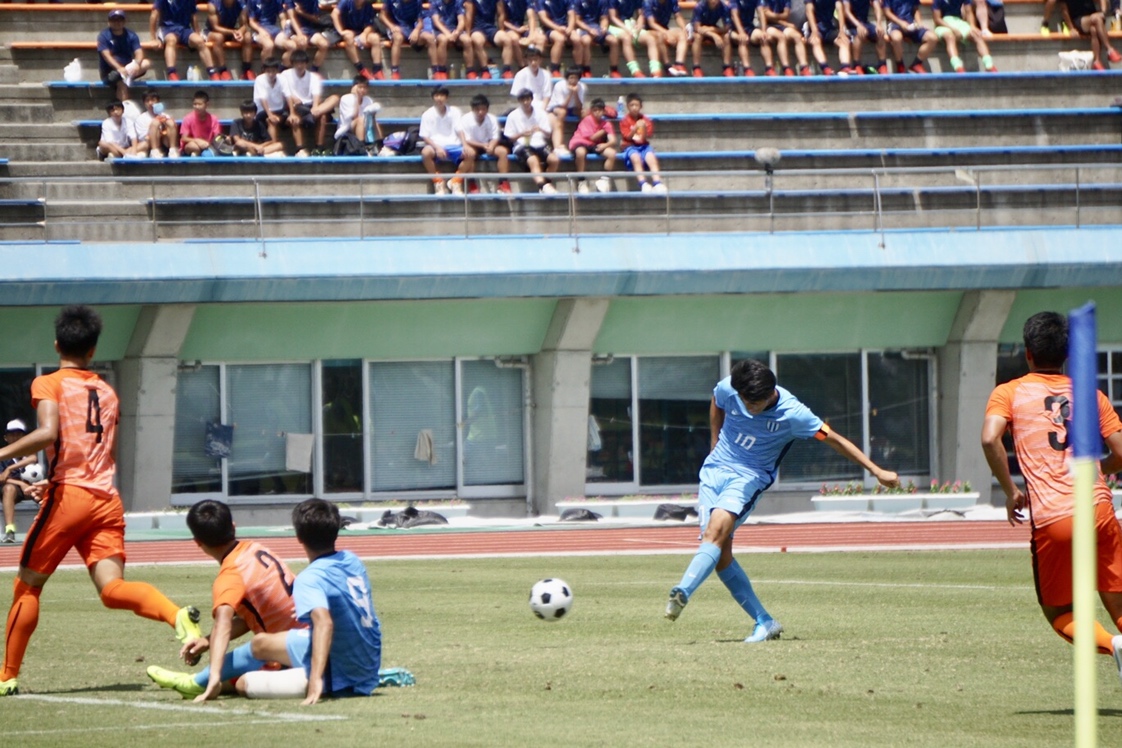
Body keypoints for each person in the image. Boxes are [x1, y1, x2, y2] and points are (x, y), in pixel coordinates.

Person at [0, 305, 203, 697]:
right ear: (93, 351)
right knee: (112, 590)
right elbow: (93, 447)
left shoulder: (50, 383)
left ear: (57, 343)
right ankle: (175, 614)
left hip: (70, 498)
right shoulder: (108, 393)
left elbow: (47, 433)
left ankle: (7, 677)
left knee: (27, 588)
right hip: (105, 499)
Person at [665, 359, 899, 641]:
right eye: (745, 403)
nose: (749, 410)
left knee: (714, 533)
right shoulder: (731, 388)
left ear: (769, 394)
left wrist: (876, 470)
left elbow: (833, 438)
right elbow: (717, 400)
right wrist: (714, 439)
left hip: (748, 477)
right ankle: (764, 621)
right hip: (714, 471)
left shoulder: (795, 414)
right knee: (719, 554)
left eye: (755, 405)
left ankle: (682, 591)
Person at [981, 311, 1122, 675]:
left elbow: (989, 437)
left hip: (1055, 518)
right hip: (1100, 510)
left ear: (1028, 353)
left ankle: (1114, 647)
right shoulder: (1091, 395)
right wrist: (1098, 469)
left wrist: (1010, 491)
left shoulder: (1008, 392)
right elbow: (1121, 453)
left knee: (1060, 613)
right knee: (1119, 608)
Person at [146, 499, 302, 700]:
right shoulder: (257, 548)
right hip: (314, 637)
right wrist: (206, 641)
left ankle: (196, 682)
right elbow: (254, 617)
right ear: (234, 527)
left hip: (296, 650)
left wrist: (214, 677)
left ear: (197, 542)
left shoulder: (230, 575)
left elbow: (223, 623)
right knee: (249, 667)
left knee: (254, 656)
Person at [232, 499, 381, 704]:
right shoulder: (352, 560)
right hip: (367, 662)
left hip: (339, 675)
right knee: (260, 643)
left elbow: (324, 622)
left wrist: (316, 678)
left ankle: (201, 682)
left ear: (299, 537)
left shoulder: (308, 578)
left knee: (242, 684)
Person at [279, 49, 340, 157]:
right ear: (292, 63)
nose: (299, 66)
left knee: (334, 99)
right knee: (295, 119)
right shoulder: (285, 74)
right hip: (295, 107)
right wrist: (293, 98)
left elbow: (316, 94)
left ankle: (319, 148)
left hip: (310, 107)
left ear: (306, 64)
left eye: (302, 63)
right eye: (297, 63)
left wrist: (316, 108)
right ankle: (300, 149)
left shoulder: (313, 76)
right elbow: (284, 92)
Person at [503, 88, 559, 193]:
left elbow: (548, 134)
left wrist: (539, 129)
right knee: (533, 160)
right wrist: (521, 134)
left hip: (539, 143)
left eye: (527, 99)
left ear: (531, 99)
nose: (525, 102)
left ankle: (545, 184)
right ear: (519, 101)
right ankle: (543, 186)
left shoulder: (540, 113)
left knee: (554, 160)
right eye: (523, 100)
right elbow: (509, 137)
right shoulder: (513, 116)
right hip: (521, 145)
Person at [420, 86, 473, 195]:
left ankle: (455, 181)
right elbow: (425, 136)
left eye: (442, 95)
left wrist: (465, 145)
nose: (439, 98)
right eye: (436, 95)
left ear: (447, 97)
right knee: (425, 153)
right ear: (433, 98)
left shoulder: (455, 111)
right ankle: (438, 182)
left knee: (471, 153)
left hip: (454, 144)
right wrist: (437, 147)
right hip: (435, 146)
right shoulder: (427, 114)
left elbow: (460, 129)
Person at [150, 0, 220, 81]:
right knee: (171, 40)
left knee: (199, 41)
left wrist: (197, 32)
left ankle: (212, 71)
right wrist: (153, 38)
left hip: (184, 29)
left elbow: (193, 16)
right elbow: (154, 16)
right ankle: (171, 72)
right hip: (167, 28)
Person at [458, 94, 513, 193]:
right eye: (477, 109)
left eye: (483, 109)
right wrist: (483, 145)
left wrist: (491, 145)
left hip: (487, 144)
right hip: (473, 144)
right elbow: (467, 139)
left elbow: (495, 136)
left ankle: (503, 182)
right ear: (473, 109)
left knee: (503, 152)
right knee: (470, 153)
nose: (480, 112)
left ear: (487, 109)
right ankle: (472, 183)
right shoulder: (466, 119)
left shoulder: (492, 119)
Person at [97, 10, 152, 101]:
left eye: (120, 20)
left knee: (146, 62)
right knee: (121, 81)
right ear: (109, 22)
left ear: (124, 21)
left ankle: (128, 76)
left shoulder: (131, 35)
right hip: (110, 70)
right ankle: (124, 107)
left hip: (128, 67)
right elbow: (106, 56)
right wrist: (119, 68)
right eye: (114, 20)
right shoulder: (103, 36)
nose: (117, 22)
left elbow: (139, 52)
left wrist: (136, 64)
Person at [931, 0, 997, 72]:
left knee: (976, 35)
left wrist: (972, 25)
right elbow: (937, 19)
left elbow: (968, 12)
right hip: (943, 23)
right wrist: (953, 29)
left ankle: (989, 64)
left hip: (959, 22)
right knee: (950, 37)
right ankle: (958, 66)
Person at [618, 92, 665, 193]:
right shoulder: (624, 121)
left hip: (644, 146)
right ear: (627, 106)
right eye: (631, 105)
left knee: (651, 158)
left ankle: (657, 183)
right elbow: (627, 136)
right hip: (630, 147)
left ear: (641, 106)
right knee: (636, 158)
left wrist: (642, 129)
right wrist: (635, 128)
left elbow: (643, 138)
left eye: (636, 105)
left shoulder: (646, 120)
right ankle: (643, 183)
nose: (634, 108)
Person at [0, 420, 37, 544]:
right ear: (6, 437)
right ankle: (10, 530)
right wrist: (21, 484)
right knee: (8, 488)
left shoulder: (29, 452)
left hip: (31, 488)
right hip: (12, 490)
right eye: (12, 434)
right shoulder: (3, 454)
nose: (15, 437)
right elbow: (1, 478)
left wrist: (10, 468)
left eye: (19, 434)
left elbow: (34, 458)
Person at [569, 98, 616, 194]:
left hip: (594, 145)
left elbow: (613, 140)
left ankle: (604, 179)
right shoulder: (587, 120)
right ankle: (581, 180)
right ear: (591, 111)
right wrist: (603, 130)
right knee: (580, 152)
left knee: (612, 153)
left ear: (603, 111)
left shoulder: (606, 123)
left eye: (600, 110)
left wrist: (605, 145)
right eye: (595, 110)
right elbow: (592, 138)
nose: (597, 113)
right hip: (580, 142)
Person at [882, 0, 944, 73]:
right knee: (896, 38)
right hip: (895, 24)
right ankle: (900, 65)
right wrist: (901, 23)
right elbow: (887, 12)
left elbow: (915, 9)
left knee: (932, 38)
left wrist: (919, 23)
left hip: (911, 23)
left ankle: (917, 63)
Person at [331, 0, 387, 80]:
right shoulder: (346, 2)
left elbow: (370, 25)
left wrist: (364, 34)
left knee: (375, 38)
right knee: (349, 37)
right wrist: (341, 31)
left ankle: (377, 69)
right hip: (348, 31)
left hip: (361, 32)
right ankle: (361, 69)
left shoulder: (367, 5)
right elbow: (334, 14)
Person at [1060, 0, 1122, 70]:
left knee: (1094, 30)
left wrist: (1103, 12)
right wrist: (1071, 28)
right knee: (1097, 19)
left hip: (1092, 17)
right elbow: (1064, 11)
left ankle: (1097, 61)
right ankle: (1110, 49)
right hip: (1078, 19)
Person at [423, 0, 473, 79]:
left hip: (454, 29)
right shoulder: (435, 3)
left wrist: (456, 32)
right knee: (443, 40)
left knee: (467, 40)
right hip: (439, 30)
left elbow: (461, 21)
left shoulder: (457, 2)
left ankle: (470, 70)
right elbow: (436, 22)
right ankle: (441, 70)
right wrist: (447, 33)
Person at [467, 0, 516, 79]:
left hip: (490, 28)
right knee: (478, 41)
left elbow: (501, 14)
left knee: (507, 39)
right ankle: (485, 70)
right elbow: (468, 15)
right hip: (477, 27)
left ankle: (507, 70)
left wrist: (502, 30)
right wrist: (468, 33)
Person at [544, 64, 586, 156]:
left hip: (572, 108)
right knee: (562, 112)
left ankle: (583, 137)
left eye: (575, 78)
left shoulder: (581, 87)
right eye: (571, 78)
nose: (573, 81)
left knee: (585, 114)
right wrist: (571, 93)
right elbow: (563, 105)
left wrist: (575, 93)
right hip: (556, 108)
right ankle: (559, 144)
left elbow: (579, 106)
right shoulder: (560, 86)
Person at [335, 76, 383, 155]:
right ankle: (362, 147)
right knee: (360, 120)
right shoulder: (346, 98)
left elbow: (369, 118)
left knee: (375, 122)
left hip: (362, 126)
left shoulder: (368, 100)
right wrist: (357, 97)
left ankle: (380, 146)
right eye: (360, 87)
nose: (362, 90)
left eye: (365, 88)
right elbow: (354, 116)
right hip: (346, 129)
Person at [760, 0, 811, 76]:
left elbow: (786, 14)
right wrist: (784, 22)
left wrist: (773, 16)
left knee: (797, 36)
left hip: (782, 26)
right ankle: (786, 67)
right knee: (781, 37)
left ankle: (804, 67)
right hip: (769, 25)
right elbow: (766, 16)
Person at [281, 0, 334, 71]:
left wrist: (301, 12)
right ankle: (291, 70)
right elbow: (292, 17)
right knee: (302, 43)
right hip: (294, 29)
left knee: (324, 44)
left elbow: (316, 19)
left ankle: (314, 70)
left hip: (310, 29)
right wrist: (299, 34)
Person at [381, 0, 428, 79]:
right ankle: (395, 70)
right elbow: (382, 16)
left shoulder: (417, 2)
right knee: (398, 38)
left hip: (410, 29)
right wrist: (392, 27)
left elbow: (420, 22)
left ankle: (437, 70)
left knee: (428, 38)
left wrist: (416, 30)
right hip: (395, 27)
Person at [206, 0, 251, 80]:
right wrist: (233, 32)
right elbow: (215, 27)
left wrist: (240, 32)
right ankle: (222, 70)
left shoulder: (241, 3)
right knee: (219, 37)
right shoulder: (213, 4)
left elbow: (244, 25)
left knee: (247, 36)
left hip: (230, 30)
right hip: (211, 31)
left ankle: (246, 70)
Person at [641, 0, 689, 75]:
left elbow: (678, 16)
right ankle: (668, 66)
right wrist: (667, 33)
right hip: (650, 30)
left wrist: (684, 29)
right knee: (660, 36)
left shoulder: (672, 1)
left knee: (682, 34)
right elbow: (652, 23)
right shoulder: (648, 2)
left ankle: (679, 64)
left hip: (665, 28)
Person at [804, 0, 852, 74]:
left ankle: (845, 67)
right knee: (815, 41)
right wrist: (814, 30)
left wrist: (842, 31)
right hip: (815, 26)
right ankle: (825, 68)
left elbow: (839, 9)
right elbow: (809, 11)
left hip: (829, 27)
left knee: (844, 41)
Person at [689, 0, 735, 76]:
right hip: (696, 28)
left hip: (711, 27)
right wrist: (713, 35)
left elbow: (727, 27)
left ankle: (727, 67)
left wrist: (712, 29)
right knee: (697, 37)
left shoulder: (724, 7)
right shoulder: (699, 6)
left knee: (726, 37)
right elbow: (697, 28)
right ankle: (696, 67)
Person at [572, 0, 616, 77]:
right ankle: (586, 69)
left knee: (614, 41)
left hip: (596, 27)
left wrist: (604, 27)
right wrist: (589, 29)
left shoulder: (602, 1)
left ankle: (614, 70)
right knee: (586, 41)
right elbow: (577, 21)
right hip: (583, 28)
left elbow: (604, 18)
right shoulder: (578, 1)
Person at [843, 0, 888, 74]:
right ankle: (857, 65)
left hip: (865, 23)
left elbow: (877, 6)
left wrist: (879, 23)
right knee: (859, 35)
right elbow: (847, 12)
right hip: (851, 25)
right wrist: (858, 25)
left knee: (880, 34)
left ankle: (882, 65)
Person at [133, 89, 181, 158]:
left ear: (158, 101)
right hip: (150, 144)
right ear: (144, 103)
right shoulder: (141, 118)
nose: (150, 103)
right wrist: (156, 126)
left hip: (165, 142)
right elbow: (143, 138)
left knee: (170, 122)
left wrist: (164, 123)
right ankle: (155, 152)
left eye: (153, 100)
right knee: (155, 123)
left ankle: (173, 150)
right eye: (147, 101)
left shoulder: (165, 116)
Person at [729, 0, 772, 76]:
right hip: (734, 29)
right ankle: (747, 68)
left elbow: (761, 13)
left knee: (763, 38)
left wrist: (764, 31)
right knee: (742, 40)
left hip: (749, 27)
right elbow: (734, 15)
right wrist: (741, 33)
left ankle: (769, 68)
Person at [253, 57, 289, 144]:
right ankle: (273, 146)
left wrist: (293, 113)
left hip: (279, 110)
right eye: (268, 71)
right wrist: (270, 115)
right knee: (271, 121)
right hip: (262, 111)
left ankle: (300, 149)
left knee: (295, 119)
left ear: (277, 70)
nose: (271, 74)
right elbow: (263, 99)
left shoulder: (282, 78)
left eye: (273, 71)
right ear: (264, 70)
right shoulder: (259, 79)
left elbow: (288, 96)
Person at [535, 0, 576, 76]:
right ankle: (554, 68)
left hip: (565, 27)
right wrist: (558, 28)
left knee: (577, 39)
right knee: (560, 39)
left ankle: (580, 68)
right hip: (549, 28)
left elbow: (571, 15)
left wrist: (570, 28)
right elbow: (543, 19)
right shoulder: (541, 1)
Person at [179, 89, 222, 157]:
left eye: (200, 104)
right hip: (192, 145)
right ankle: (196, 153)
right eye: (195, 104)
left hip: (207, 145)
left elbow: (217, 136)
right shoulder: (188, 118)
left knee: (208, 154)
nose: (197, 107)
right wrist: (197, 140)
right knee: (193, 146)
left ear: (207, 104)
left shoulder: (213, 119)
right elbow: (184, 138)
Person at [247, 0, 291, 67]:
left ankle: (283, 68)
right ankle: (266, 71)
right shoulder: (253, 1)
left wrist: (285, 30)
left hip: (274, 30)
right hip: (258, 31)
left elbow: (282, 18)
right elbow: (251, 22)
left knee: (292, 46)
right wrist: (261, 31)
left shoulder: (277, 1)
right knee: (269, 45)